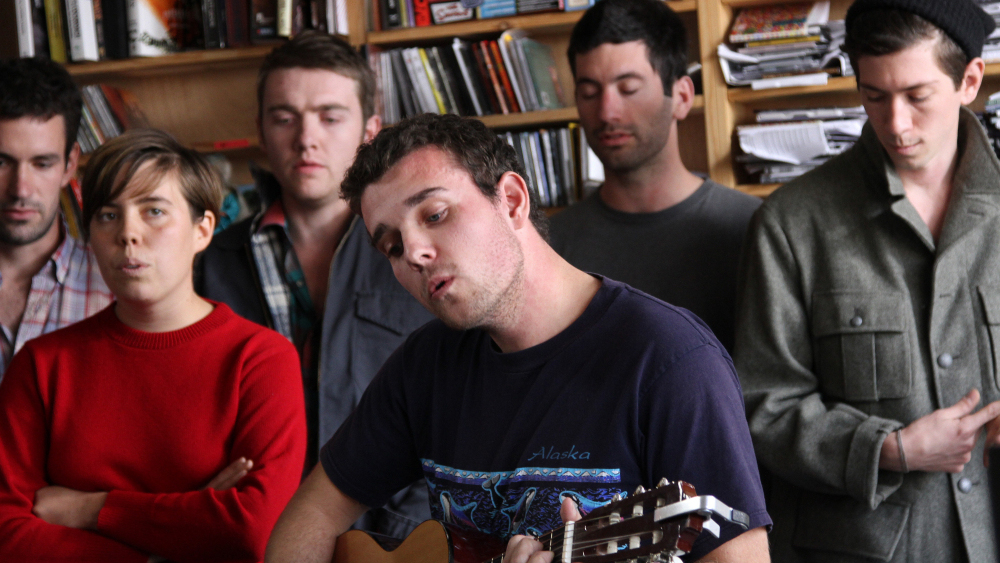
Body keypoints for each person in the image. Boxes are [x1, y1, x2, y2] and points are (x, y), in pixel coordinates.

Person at [264, 113, 771, 563]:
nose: (413, 252)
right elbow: (311, 515)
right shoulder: (423, 367)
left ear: (511, 200)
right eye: (392, 246)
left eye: (435, 215)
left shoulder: (671, 360)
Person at [734, 1, 1000, 561]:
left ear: (970, 81)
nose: (896, 124)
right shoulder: (791, 224)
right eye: (874, 96)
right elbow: (763, 407)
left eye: (917, 96)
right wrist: (890, 449)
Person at [0, 129, 307, 561]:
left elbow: (253, 531)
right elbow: (7, 529)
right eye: (108, 215)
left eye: (154, 211)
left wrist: (92, 510)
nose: (128, 233)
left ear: (203, 230)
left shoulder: (261, 360)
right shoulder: (42, 364)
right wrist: (181, 532)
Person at [195, 31, 433, 537]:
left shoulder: (422, 256)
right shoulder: (206, 263)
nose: (306, 139)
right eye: (285, 118)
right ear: (261, 129)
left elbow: (455, 408)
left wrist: (397, 536)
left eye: (330, 117)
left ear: (370, 130)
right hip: (247, 535)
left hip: (392, 543)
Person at [548, 0, 760, 352]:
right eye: (589, 93)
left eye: (629, 89)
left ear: (681, 96)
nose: (607, 112)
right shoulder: (550, 247)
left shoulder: (754, 229)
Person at [0, 57, 112, 381]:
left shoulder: (116, 288)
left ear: (69, 165)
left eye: (42, 164)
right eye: (1, 162)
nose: (20, 189)